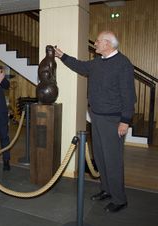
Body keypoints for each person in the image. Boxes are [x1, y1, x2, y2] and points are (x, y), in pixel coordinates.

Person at [54, 31, 136, 212]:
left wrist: (125, 121)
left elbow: (129, 96)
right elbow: (80, 66)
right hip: (97, 117)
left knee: (112, 160)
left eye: (98, 41)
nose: (95, 44)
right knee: (100, 157)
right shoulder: (97, 62)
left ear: (108, 44)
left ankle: (119, 199)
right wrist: (63, 56)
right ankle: (106, 190)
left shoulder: (123, 64)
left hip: (113, 120)